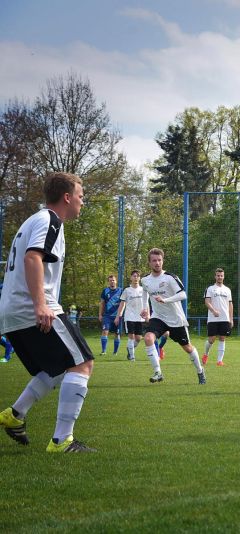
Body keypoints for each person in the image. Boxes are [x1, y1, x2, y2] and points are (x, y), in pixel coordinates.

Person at [0, 172, 96, 452]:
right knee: (82, 364)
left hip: (12, 311)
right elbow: (33, 257)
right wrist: (41, 304)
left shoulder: (34, 220)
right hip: (31, 307)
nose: (82, 202)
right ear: (67, 197)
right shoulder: (50, 220)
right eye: (80, 196)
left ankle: (15, 415)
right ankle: (62, 441)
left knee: (55, 368)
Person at [140, 248, 205, 385]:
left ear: (163, 261)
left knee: (187, 347)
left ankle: (200, 371)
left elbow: (183, 295)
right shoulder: (145, 280)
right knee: (148, 338)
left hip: (175, 319)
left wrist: (166, 300)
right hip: (158, 317)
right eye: (154, 260)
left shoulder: (170, 277)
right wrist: (144, 308)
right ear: (149, 263)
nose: (157, 263)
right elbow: (145, 293)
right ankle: (158, 372)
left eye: (159, 260)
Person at [203, 268, 234, 367]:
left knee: (222, 338)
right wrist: (213, 311)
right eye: (218, 275)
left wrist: (231, 318)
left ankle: (219, 361)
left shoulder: (227, 290)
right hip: (213, 318)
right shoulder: (210, 289)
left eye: (221, 275)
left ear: (223, 277)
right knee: (211, 339)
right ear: (215, 276)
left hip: (225, 318)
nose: (220, 277)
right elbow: (207, 302)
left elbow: (230, 305)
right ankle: (206, 354)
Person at [114, 269, 146, 362]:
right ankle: (132, 357)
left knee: (138, 338)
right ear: (131, 278)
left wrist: (147, 314)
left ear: (139, 278)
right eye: (134, 276)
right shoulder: (127, 290)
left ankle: (130, 349)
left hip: (140, 317)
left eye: (137, 276)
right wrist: (118, 316)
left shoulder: (143, 290)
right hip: (129, 316)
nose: (136, 277)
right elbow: (122, 304)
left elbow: (146, 303)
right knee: (131, 336)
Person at [98, 274, 123, 356]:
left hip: (117, 316)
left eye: (113, 280)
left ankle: (115, 352)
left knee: (117, 334)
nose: (112, 281)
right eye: (110, 280)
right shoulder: (105, 291)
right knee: (105, 331)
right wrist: (100, 315)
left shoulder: (121, 291)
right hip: (107, 316)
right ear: (108, 282)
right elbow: (102, 303)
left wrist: (119, 315)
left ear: (116, 281)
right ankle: (103, 351)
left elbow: (123, 304)